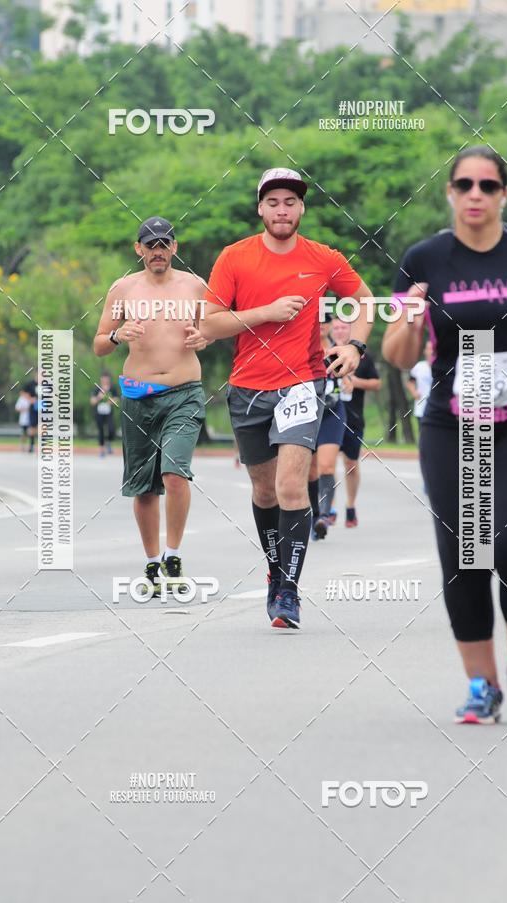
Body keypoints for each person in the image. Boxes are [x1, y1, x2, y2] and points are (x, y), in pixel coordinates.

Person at [383, 145, 507, 724]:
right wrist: (410, 322)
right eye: (464, 185)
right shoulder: (423, 260)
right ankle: (481, 684)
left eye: (488, 186)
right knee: (467, 552)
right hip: (451, 422)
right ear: (450, 193)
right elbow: (395, 354)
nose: (476, 195)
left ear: (505, 194)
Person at [202, 167, 372, 629]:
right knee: (263, 490)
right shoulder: (234, 258)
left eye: (291, 202)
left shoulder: (323, 258)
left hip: (302, 382)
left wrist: (354, 346)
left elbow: (365, 300)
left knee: (292, 487)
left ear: (302, 208)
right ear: (260, 208)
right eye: (273, 202)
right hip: (246, 388)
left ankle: (289, 593)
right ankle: (276, 570)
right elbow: (210, 324)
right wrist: (265, 313)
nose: (282, 209)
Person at [93, 216, 208, 597]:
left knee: (174, 474)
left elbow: (218, 326)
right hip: (138, 395)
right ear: (138, 249)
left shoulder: (195, 286)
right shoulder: (123, 289)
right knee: (144, 488)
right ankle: (151, 561)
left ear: (175, 248)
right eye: (151, 245)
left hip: (184, 392)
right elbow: (99, 344)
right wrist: (117, 334)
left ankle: (173, 554)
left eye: (165, 244)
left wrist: (203, 336)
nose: (158, 251)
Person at [330, 316, 381, 528]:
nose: (340, 331)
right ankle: (328, 507)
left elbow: (377, 383)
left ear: (350, 330)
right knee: (326, 464)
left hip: (353, 417)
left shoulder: (362, 356)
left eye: (344, 327)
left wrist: (353, 381)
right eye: (336, 328)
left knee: (350, 463)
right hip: (329, 416)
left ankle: (350, 505)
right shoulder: (325, 354)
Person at [309, 314, 347, 541]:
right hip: (308, 411)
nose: (321, 326)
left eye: (325, 322)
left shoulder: (340, 350)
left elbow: (349, 376)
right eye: (317, 321)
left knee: (325, 466)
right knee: (311, 470)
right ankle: (314, 515)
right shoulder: (305, 349)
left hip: (333, 412)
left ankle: (324, 516)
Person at [406, 340, 433, 432]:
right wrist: (414, 392)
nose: (431, 351)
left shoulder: (442, 367)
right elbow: (410, 382)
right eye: (428, 349)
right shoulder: (419, 366)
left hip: (437, 408)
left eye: (433, 349)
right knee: (423, 434)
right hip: (421, 408)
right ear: (425, 351)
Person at [90, 373, 118, 457]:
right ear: (101, 379)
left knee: (111, 429)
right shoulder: (97, 389)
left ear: (109, 380)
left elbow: (117, 398)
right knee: (101, 431)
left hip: (109, 413)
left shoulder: (112, 389)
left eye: (107, 379)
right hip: (99, 413)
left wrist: (112, 401)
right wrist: (99, 397)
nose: (105, 381)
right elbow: (92, 402)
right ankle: (102, 451)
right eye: (104, 379)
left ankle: (109, 442)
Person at [22, 371, 40, 453]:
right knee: (32, 427)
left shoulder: (47, 384)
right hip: (33, 407)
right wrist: (30, 399)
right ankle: (31, 445)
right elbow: (23, 393)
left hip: (43, 407)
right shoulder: (31, 384)